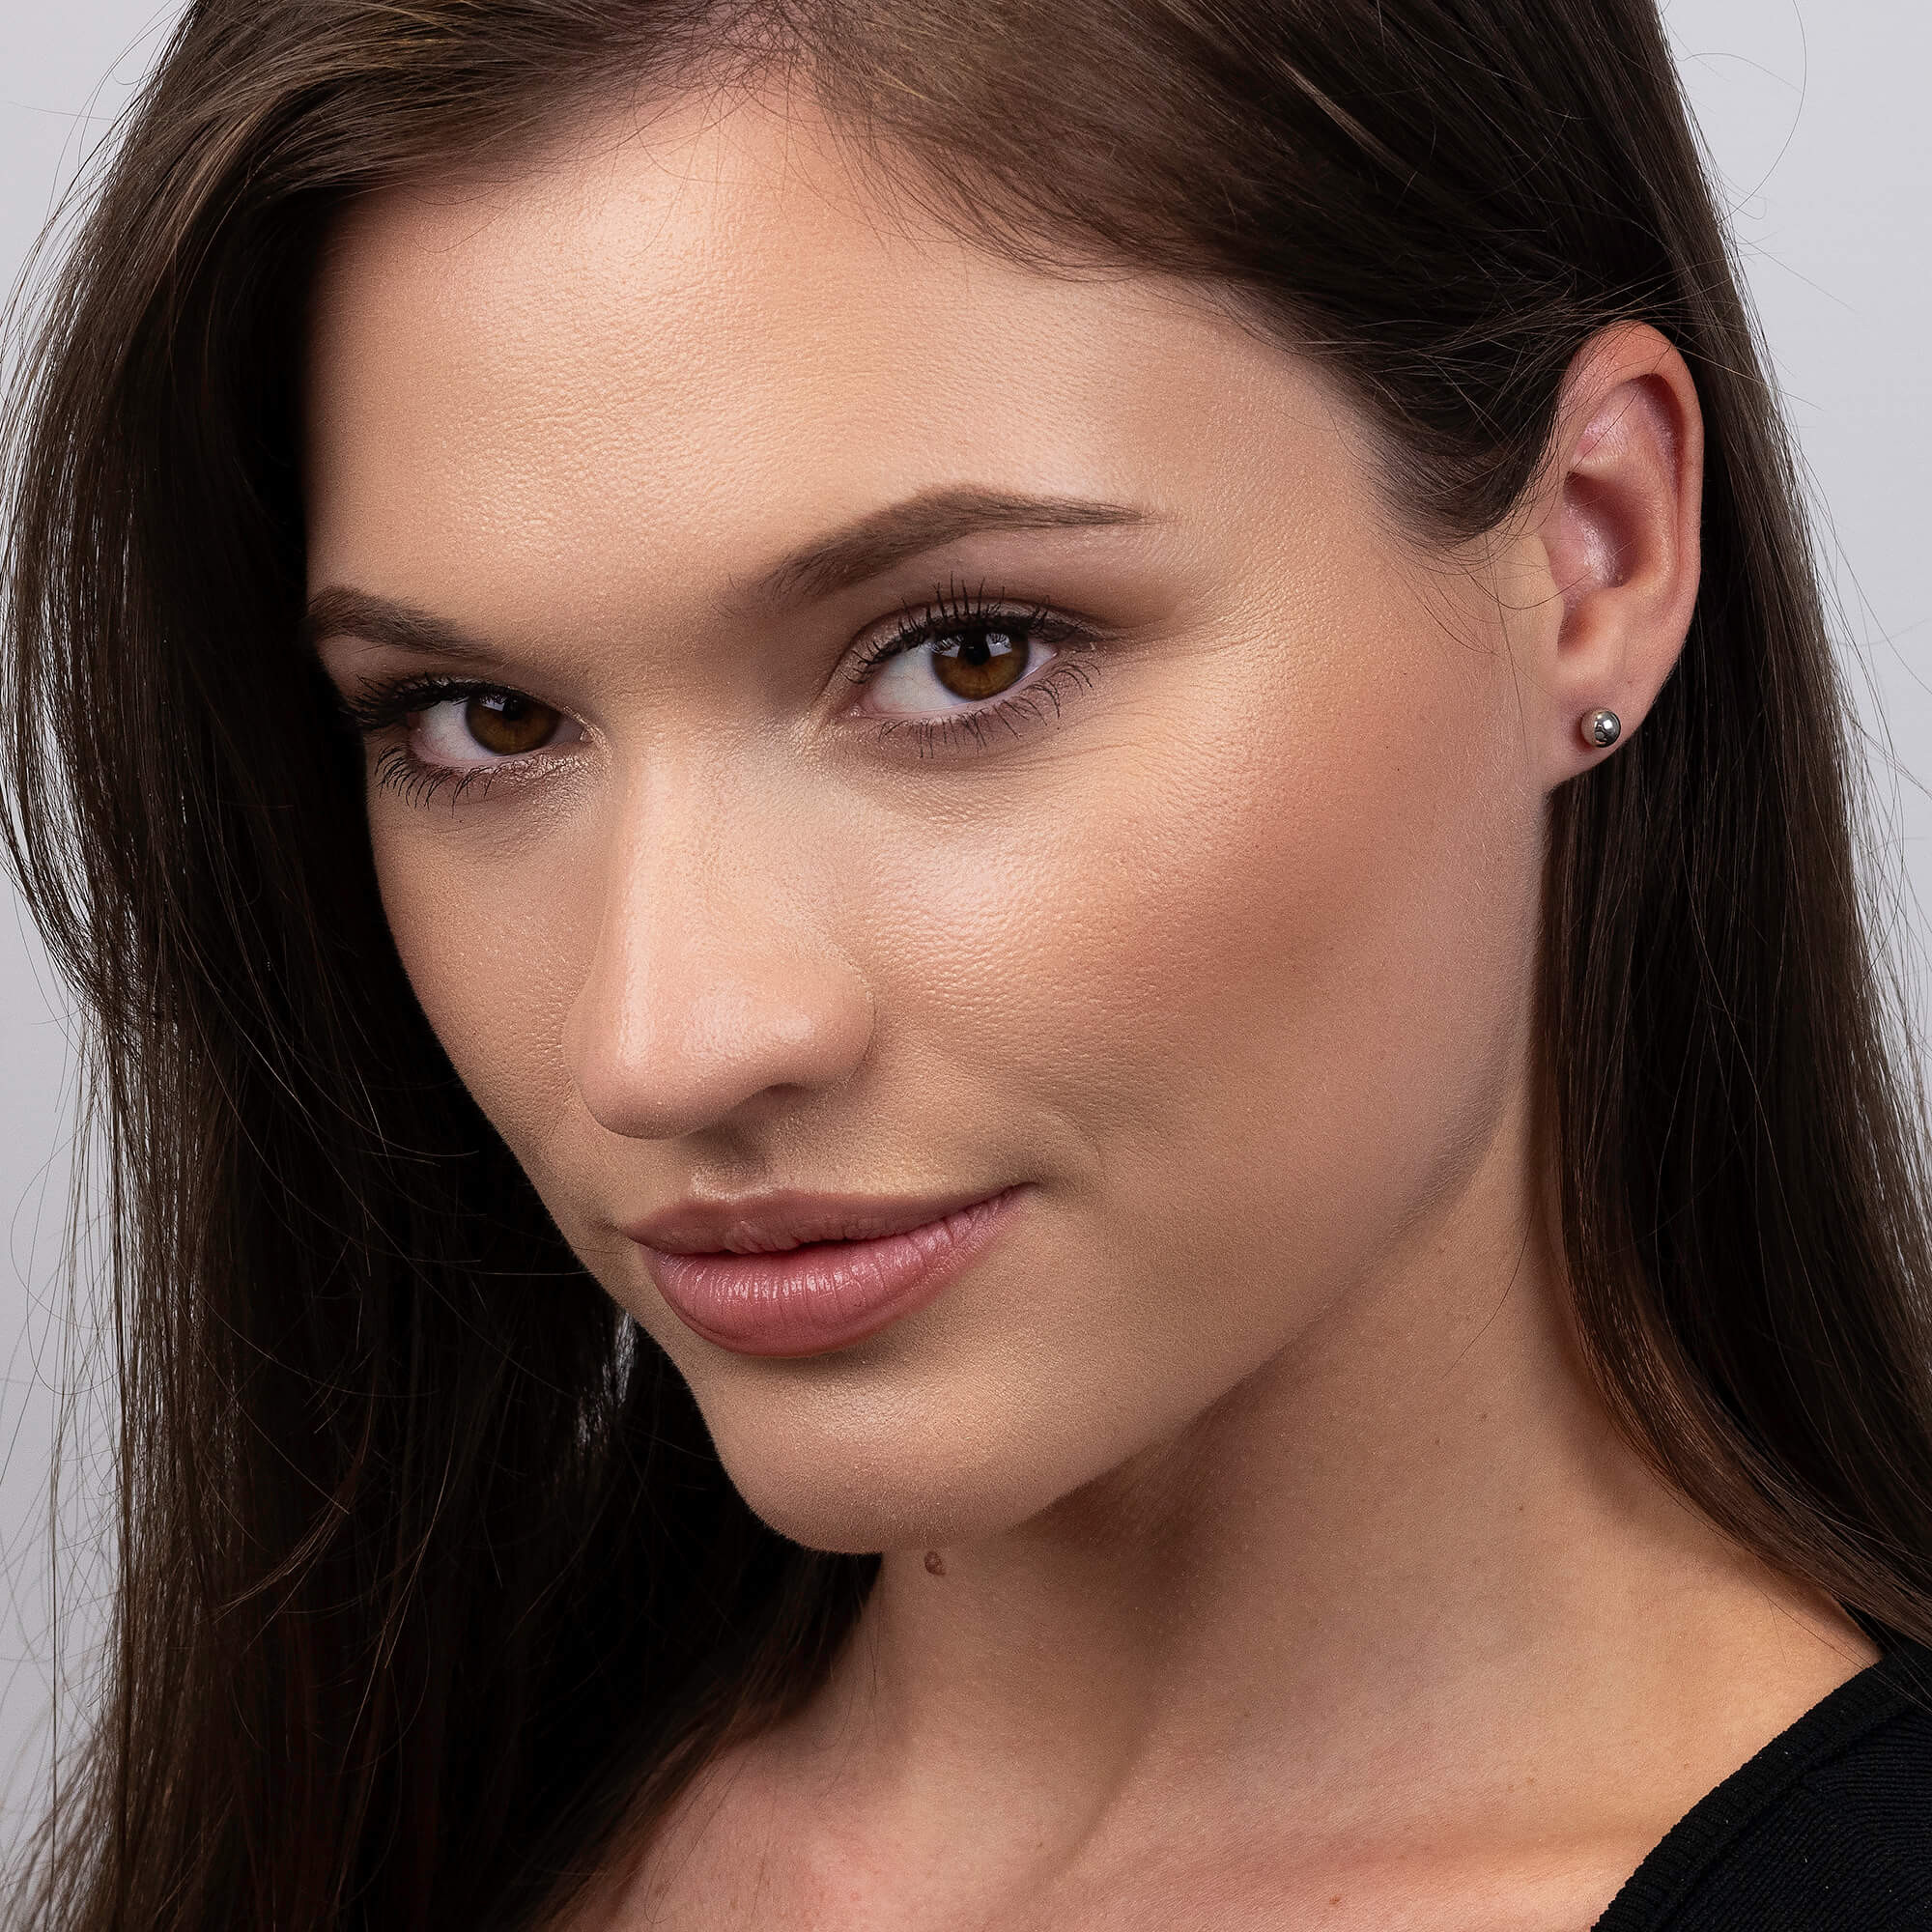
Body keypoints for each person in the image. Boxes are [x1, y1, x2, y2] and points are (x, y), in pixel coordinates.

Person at [5, 0, 1931, 1926]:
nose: (662, 1041)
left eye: (967, 656)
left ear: (1593, 551)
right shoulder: (379, 1826)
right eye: (481, 719)